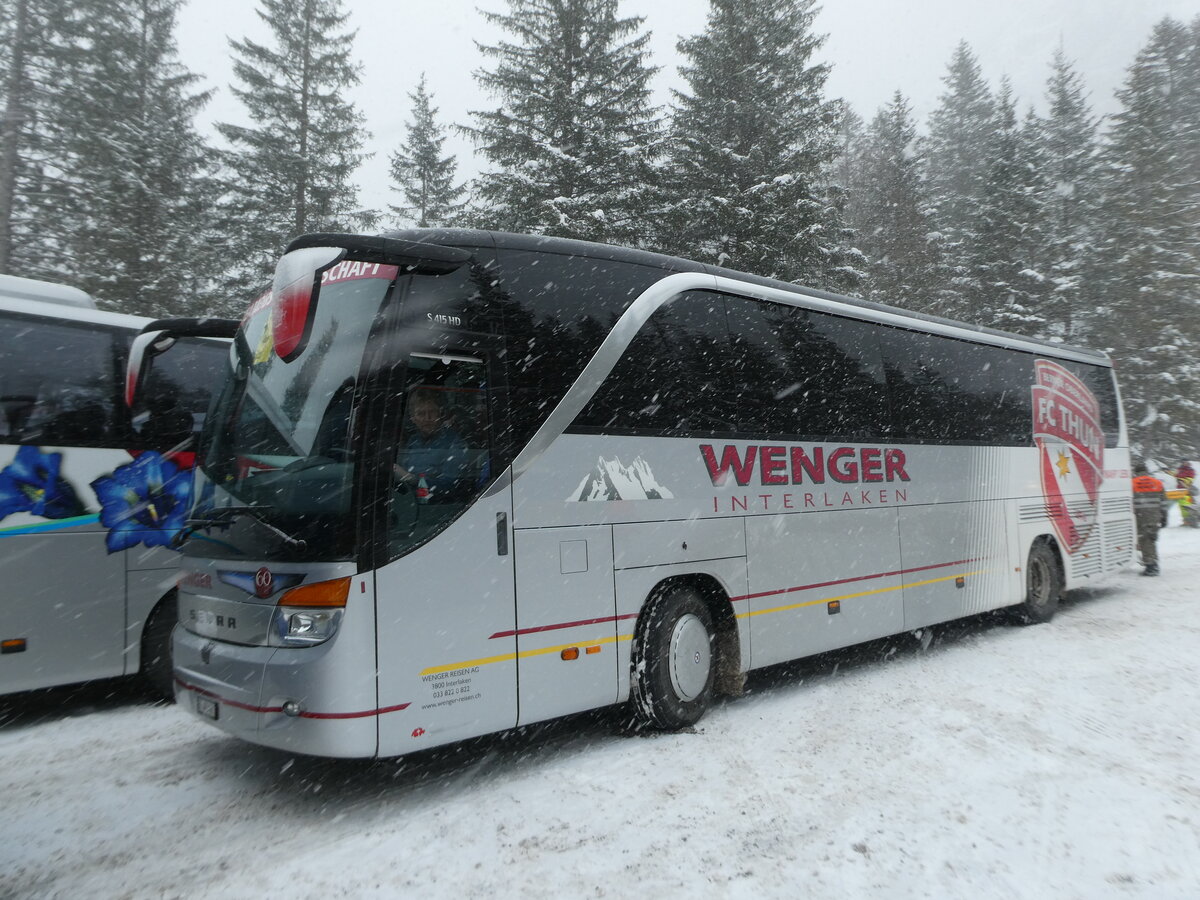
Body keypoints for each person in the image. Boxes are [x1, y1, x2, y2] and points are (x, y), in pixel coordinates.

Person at [393, 387, 469, 502]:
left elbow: (451, 486)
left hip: (438, 507)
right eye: (421, 413)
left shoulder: (453, 442)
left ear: (440, 413)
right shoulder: (413, 441)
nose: (427, 418)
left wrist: (412, 479)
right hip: (409, 502)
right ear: (413, 418)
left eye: (432, 412)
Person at [1131, 459, 1165, 576]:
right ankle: (1153, 562)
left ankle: (1151, 566)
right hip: (1155, 516)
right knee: (1151, 539)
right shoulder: (1157, 482)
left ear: (1136, 472)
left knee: (1144, 540)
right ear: (1146, 471)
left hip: (1140, 516)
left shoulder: (1132, 483)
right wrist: (1164, 517)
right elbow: (1163, 502)